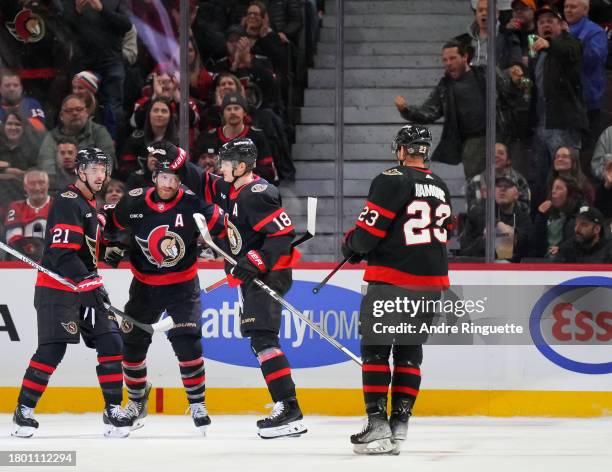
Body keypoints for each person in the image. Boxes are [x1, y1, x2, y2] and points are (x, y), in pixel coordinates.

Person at [179, 137, 305, 439]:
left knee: (263, 337)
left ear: (241, 166)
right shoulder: (231, 188)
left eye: (225, 162)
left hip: (271, 272)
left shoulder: (257, 193)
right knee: (259, 340)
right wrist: (174, 157)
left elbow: (282, 235)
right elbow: (201, 180)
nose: (219, 167)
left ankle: (289, 409)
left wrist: (256, 259)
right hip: (256, 272)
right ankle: (287, 407)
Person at [101, 140, 225, 434]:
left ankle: (197, 403)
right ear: (154, 178)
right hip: (144, 287)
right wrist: (116, 245)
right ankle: (135, 402)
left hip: (183, 286)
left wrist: (234, 249)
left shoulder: (193, 203)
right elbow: (113, 226)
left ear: (180, 180)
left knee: (187, 341)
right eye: (163, 178)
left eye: (174, 179)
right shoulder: (133, 200)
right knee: (131, 345)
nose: (168, 184)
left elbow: (222, 228)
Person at [342, 125, 451, 455]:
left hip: (393, 280)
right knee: (409, 351)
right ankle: (399, 425)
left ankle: (377, 425)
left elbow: (368, 232)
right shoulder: (441, 186)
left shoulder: (392, 178)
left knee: (376, 350)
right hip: (431, 283)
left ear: (402, 150)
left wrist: (353, 246)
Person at [11, 148, 132, 438]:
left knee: (112, 341)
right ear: (79, 171)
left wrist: (107, 250)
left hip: (85, 285)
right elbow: (62, 253)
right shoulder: (68, 202)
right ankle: (23, 412)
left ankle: (113, 410)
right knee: (53, 350)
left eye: (103, 169)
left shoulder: (90, 205)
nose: (100, 175)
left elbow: (84, 250)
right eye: (93, 169)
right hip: (58, 289)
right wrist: (85, 279)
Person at [528, 5, 588, 208]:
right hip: (541, 126)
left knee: (567, 177)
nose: (545, 24)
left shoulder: (570, 42)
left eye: (550, 21)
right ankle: (543, 220)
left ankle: (570, 221)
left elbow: (570, 51)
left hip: (563, 124)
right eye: (541, 22)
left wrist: (550, 43)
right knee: (541, 179)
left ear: (562, 25)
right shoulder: (538, 53)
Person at [194, 92, 278, 183]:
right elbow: (194, 167)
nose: (232, 112)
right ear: (223, 113)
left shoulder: (256, 136)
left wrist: (237, 172)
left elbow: (269, 172)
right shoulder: (207, 137)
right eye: (228, 109)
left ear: (244, 112)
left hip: (248, 191)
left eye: (236, 108)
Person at [37, 95, 116, 179]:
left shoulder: (99, 132)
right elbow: (46, 164)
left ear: (86, 113)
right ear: (61, 116)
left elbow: (106, 161)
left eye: (79, 109)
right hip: (59, 184)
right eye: (69, 111)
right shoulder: (52, 136)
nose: (75, 113)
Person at [460, 175, 533, 260]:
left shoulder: (523, 219)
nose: (502, 189)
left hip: (511, 269)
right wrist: (499, 225)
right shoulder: (481, 210)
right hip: (475, 266)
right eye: (498, 186)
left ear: (517, 195)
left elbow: (521, 244)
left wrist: (497, 236)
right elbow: (477, 215)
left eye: (508, 186)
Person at [3, 169, 52, 262]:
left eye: (41, 183)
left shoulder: (58, 206)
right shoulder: (16, 206)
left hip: (51, 260)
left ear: (48, 185)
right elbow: (13, 240)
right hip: (22, 260)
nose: (37, 188)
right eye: (32, 184)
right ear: (25, 187)